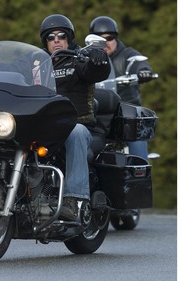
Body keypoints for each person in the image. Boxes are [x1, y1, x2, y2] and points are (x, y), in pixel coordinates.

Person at [39, 14, 110, 220]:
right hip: (43, 128)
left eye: (61, 35)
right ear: (45, 41)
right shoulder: (37, 65)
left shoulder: (80, 59)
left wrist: (100, 58)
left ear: (69, 38)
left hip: (79, 125)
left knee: (76, 132)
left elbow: (96, 72)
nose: (57, 40)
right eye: (51, 37)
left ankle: (75, 200)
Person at [89, 16, 155, 161]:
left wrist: (144, 71)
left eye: (109, 37)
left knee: (136, 129)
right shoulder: (87, 58)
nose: (105, 42)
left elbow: (139, 62)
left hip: (124, 112)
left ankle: (140, 170)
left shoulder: (127, 54)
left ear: (116, 38)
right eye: (99, 38)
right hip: (97, 114)